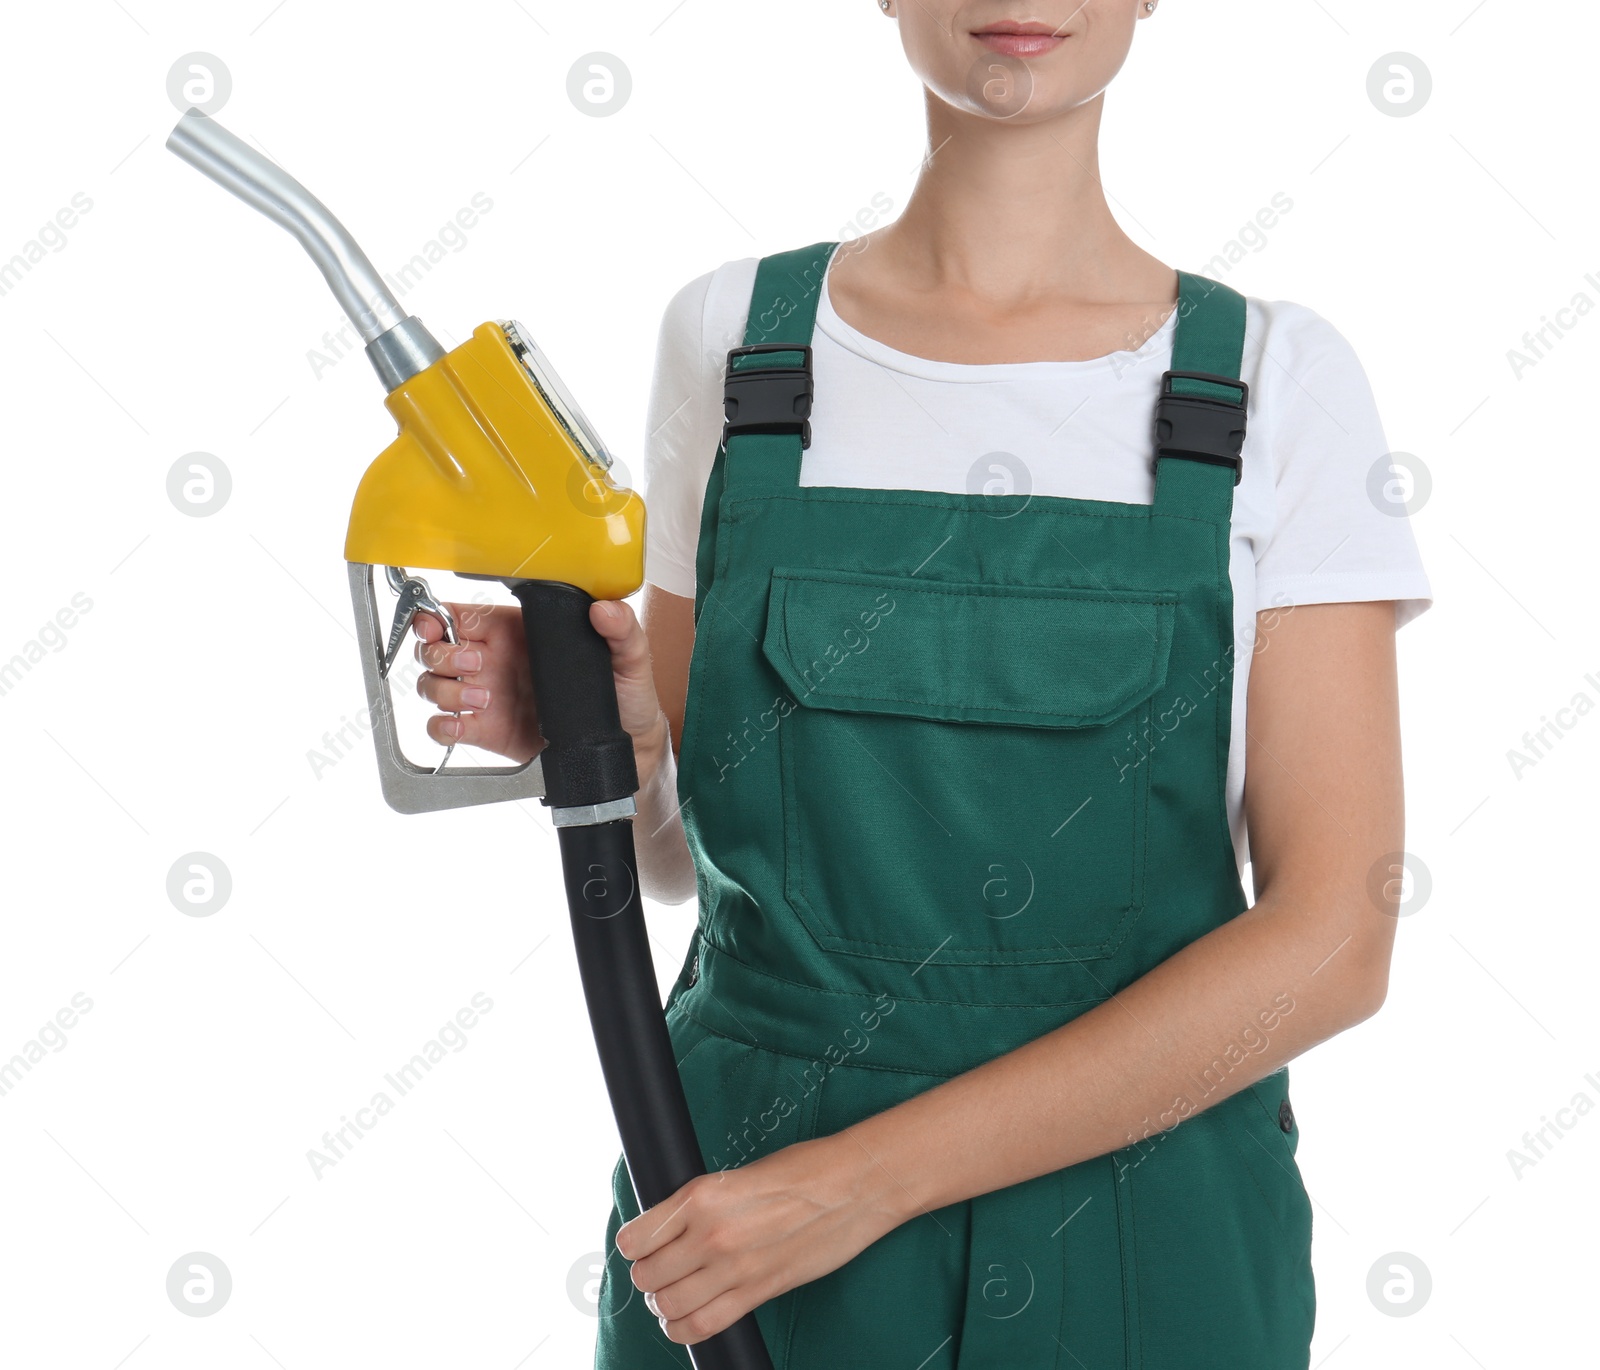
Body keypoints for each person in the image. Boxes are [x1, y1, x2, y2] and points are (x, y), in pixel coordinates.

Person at [410, 3, 1432, 1366]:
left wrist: (859, 1181)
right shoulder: (736, 345)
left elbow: (1331, 937)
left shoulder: (1272, 383)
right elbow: (684, 860)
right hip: (737, 1220)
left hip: (1141, 1235)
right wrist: (615, 731)